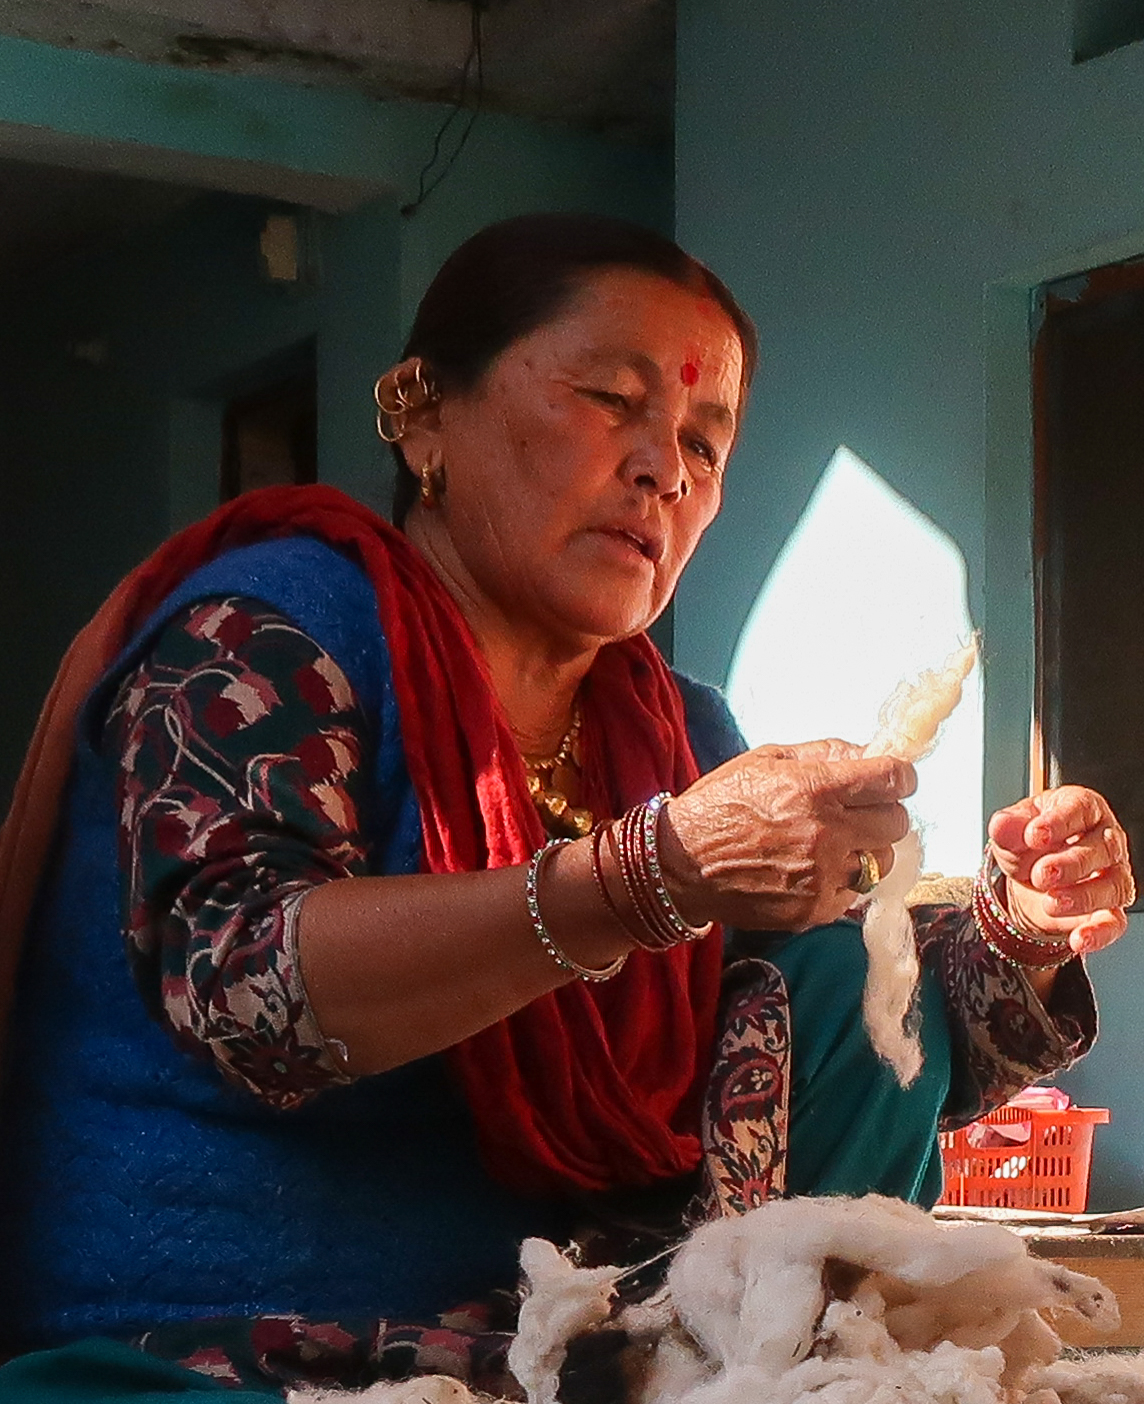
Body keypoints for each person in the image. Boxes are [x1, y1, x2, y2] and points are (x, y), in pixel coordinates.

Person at [0, 214, 1131, 1401]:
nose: (664, 470)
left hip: (560, 1349)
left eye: (704, 442)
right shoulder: (267, 635)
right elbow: (243, 992)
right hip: (223, 1346)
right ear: (423, 416)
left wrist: (1021, 928)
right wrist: (644, 877)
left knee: (838, 968)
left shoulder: (676, 735)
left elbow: (859, 1050)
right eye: (608, 400)